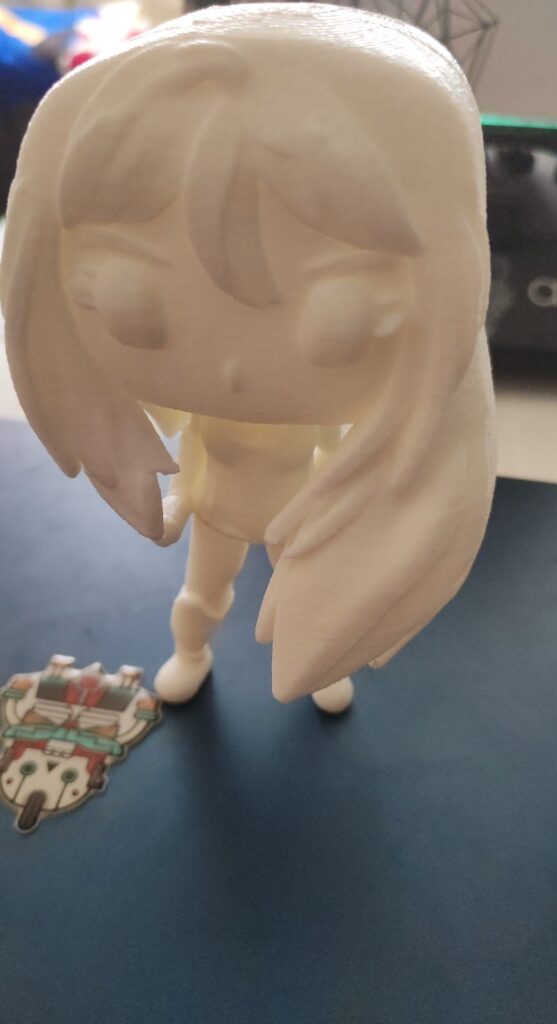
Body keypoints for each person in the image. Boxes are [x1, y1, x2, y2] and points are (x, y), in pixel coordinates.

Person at [0, 3, 496, 713]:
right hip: (217, 515)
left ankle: (323, 665)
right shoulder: (203, 417)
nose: (232, 370)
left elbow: (349, 454)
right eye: (123, 293)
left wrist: (355, 493)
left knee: (315, 602)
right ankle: (190, 653)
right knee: (203, 596)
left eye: (341, 307)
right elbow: (191, 460)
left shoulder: (324, 417)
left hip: (305, 517)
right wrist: (175, 505)